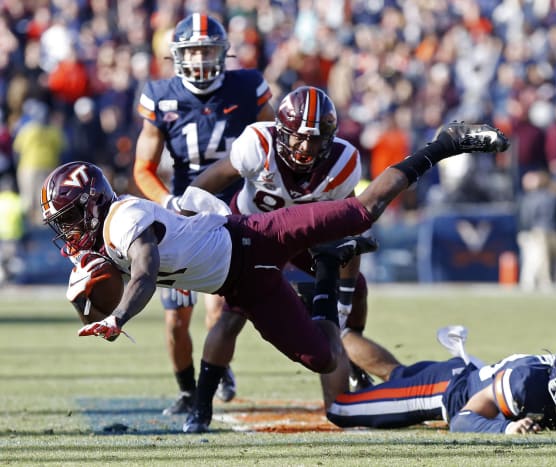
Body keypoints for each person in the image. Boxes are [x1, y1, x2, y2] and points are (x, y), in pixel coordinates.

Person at [39, 120, 508, 432]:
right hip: (241, 284)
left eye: (68, 218)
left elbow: (142, 273)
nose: (67, 232)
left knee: (363, 212)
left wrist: (117, 317)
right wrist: (87, 301)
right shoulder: (100, 240)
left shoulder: (121, 219)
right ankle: (327, 268)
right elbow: (100, 290)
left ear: (91, 205)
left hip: (255, 237)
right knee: (323, 359)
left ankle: (444, 143)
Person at [185, 85, 377, 428]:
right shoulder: (258, 144)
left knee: (356, 288)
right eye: (299, 137)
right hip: (252, 237)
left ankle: (353, 359)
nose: (306, 147)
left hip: (304, 240)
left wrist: (343, 301)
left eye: (316, 139)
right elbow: (208, 183)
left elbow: (348, 228)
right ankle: (201, 408)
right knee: (231, 316)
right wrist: (186, 222)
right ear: (282, 131)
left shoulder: (344, 162)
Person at [131, 12, 275, 416]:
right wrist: (167, 202)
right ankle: (185, 388)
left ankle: (217, 366)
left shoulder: (247, 86)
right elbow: (142, 168)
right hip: (183, 212)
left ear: (223, 53)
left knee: (217, 305)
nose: (199, 58)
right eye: (192, 50)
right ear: (177, 56)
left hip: (233, 211)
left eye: (207, 50)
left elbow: (274, 141)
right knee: (177, 317)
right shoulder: (161, 95)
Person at [327, 328, 556, 434]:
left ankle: (338, 333)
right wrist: (504, 431)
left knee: (397, 375)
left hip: (469, 378)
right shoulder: (525, 382)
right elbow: (465, 420)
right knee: (341, 411)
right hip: (444, 393)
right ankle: (328, 330)